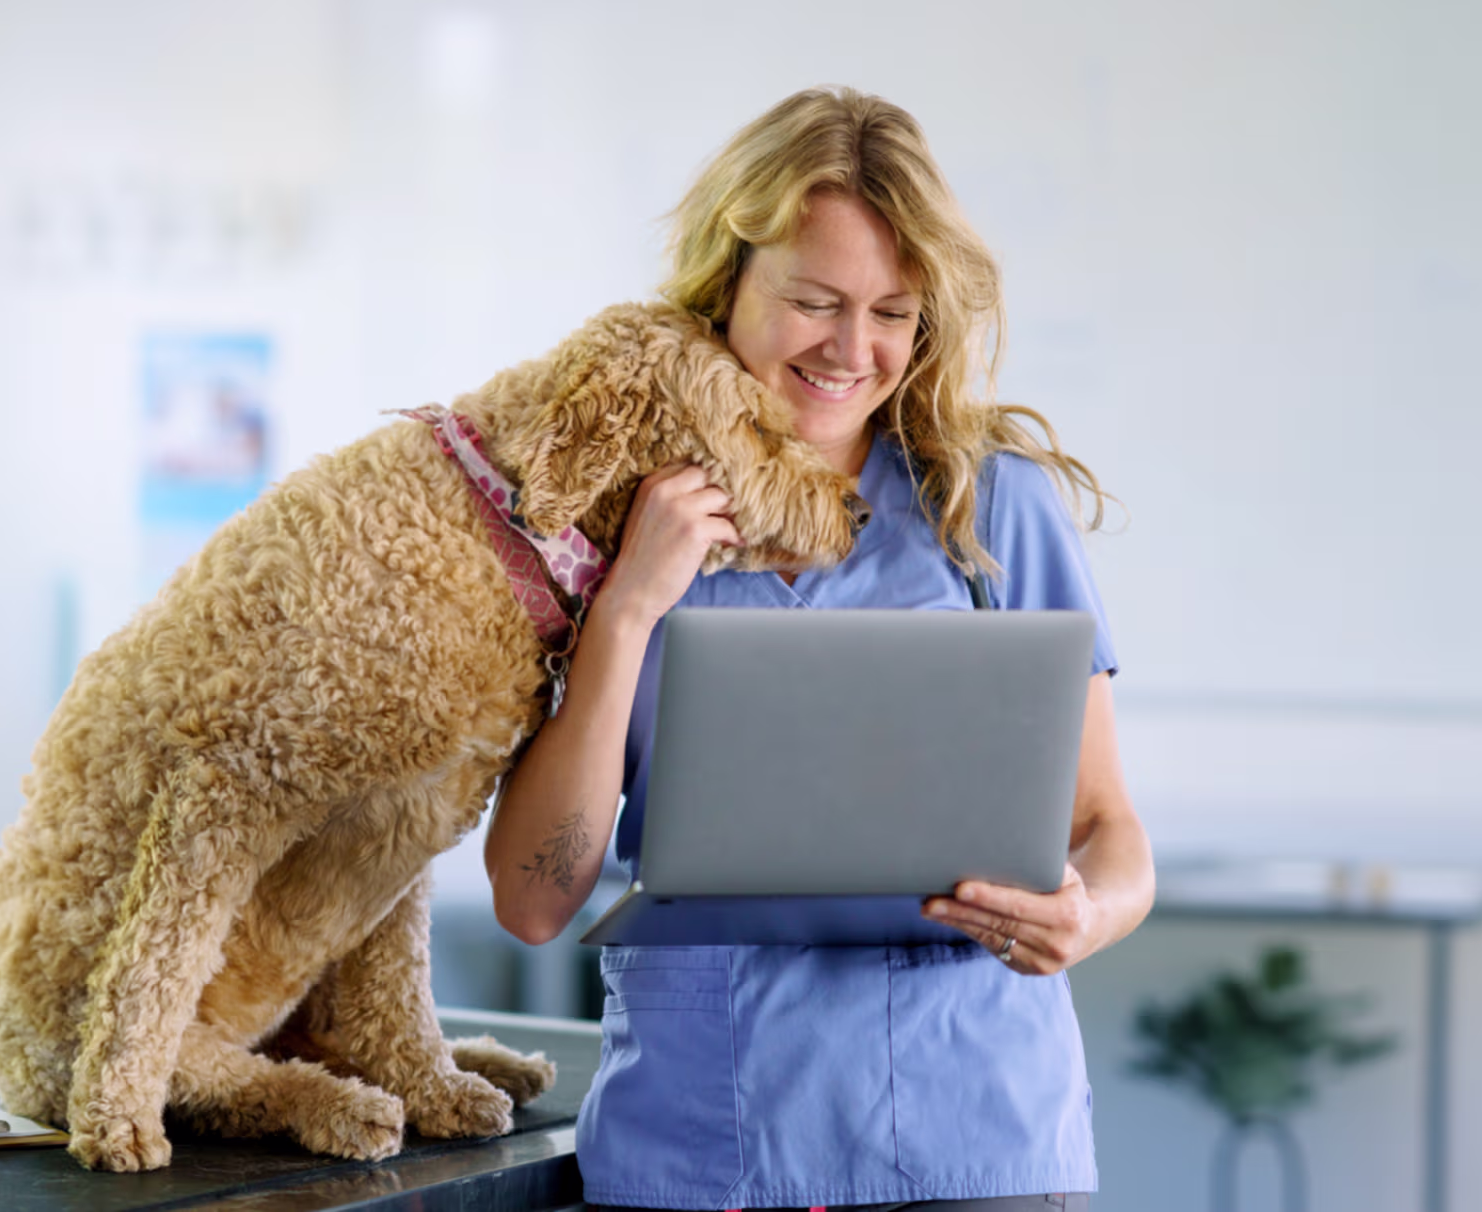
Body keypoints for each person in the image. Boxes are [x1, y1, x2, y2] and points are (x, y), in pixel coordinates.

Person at [484, 86, 1152, 1212]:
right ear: (726, 282)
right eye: (815, 300)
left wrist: (1085, 912)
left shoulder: (991, 508)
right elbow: (535, 900)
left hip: (973, 1132)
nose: (854, 349)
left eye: (894, 311)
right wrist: (629, 609)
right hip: (699, 1144)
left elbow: (1109, 831)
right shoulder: (600, 518)